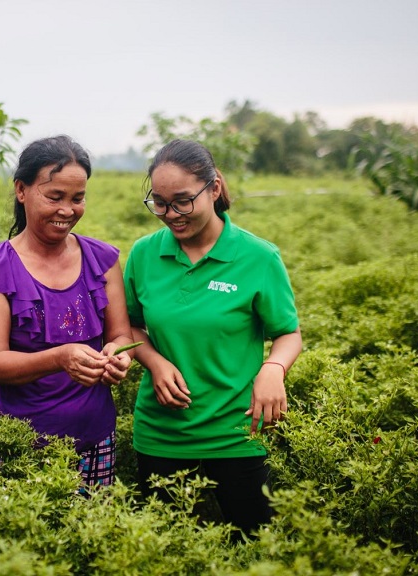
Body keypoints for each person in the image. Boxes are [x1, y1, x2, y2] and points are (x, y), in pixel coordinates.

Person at [123, 139, 302, 535]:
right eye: (160, 203)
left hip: (237, 431)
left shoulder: (258, 257)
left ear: (215, 188)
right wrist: (155, 362)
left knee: (257, 545)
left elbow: (288, 333)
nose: (171, 214)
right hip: (161, 432)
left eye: (183, 201)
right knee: (165, 548)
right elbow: (129, 326)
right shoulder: (143, 254)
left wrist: (273, 368)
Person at [0, 135, 134, 489]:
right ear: (21, 190)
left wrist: (118, 356)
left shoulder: (102, 260)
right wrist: (59, 358)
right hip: (22, 441)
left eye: (78, 198)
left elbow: (121, 335)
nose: (67, 210)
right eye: (54, 196)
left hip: (96, 437)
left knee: (90, 538)